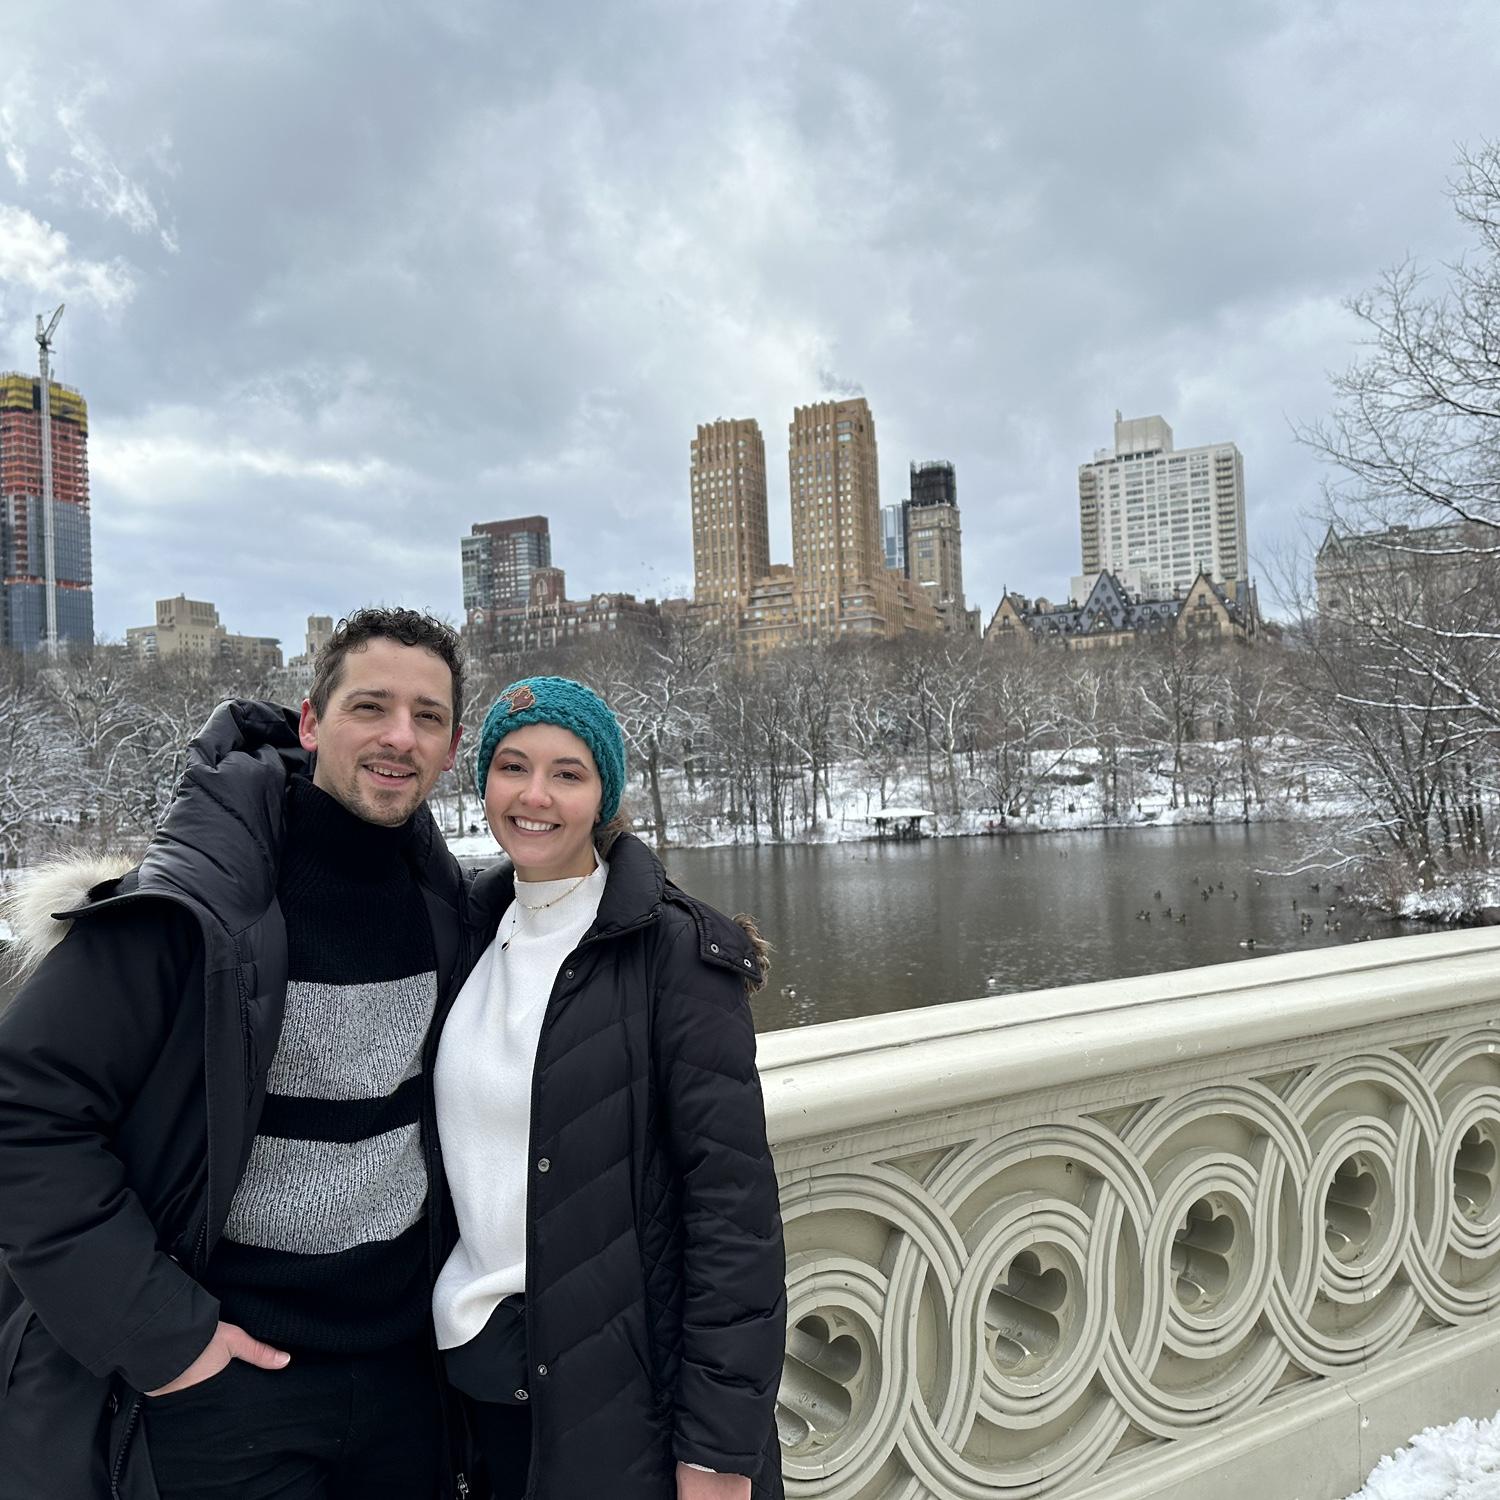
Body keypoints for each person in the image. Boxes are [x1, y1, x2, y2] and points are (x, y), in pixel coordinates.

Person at [0, 607, 467, 1500]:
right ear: (310, 721)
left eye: (429, 717)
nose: (399, 737)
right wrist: (163, 1336)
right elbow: (26, 1115)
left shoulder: (444, 902)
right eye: (370, 706)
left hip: (407, 1378)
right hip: (224, 1385)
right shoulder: (192, 910)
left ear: (450, 750)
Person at [430, 677, 786, 1500]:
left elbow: (734, 1216)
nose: (535, 795)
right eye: (512, 767)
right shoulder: (472, 928)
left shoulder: (677, 954)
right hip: (475, 1382)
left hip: (625, 1401)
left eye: (568, 773)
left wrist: (720, 1450)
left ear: (604, 796)